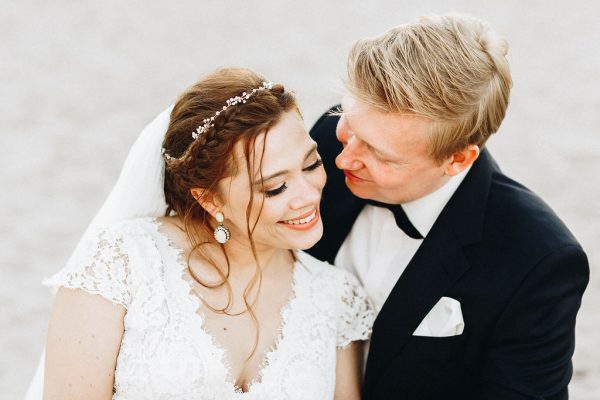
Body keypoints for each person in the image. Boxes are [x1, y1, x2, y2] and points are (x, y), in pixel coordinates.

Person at [26, 67, 374, 400]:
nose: (309, 195)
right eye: (276, 187)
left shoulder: (337, 299)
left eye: (311, 164)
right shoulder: (121, 264)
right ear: (208, 199)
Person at [306, 14, 589, 399]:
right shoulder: (328, 140)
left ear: (457, 159)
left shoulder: (536, 262)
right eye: (350, 126)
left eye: (380, 155)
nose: (343, 161)